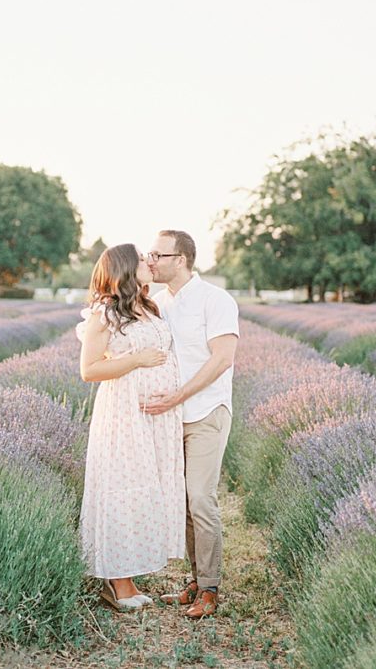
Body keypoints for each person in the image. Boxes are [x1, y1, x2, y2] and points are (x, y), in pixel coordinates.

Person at [76, 243, 185, 611]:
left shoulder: (147, 306)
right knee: (123, 488)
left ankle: (127, 576)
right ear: (125, 268)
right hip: (124, 415)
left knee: (145, 488)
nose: (148, 262)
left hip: (156, 417)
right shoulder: (104, 314)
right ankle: (117, 582)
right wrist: (137, 360)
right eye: (141, 259)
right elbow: (89, 370)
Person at [142, 230, 239, 619]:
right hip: (171, 417)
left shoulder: (216, 300)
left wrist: (179, 395)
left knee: (201, 498)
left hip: (205, 410)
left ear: (179, 259)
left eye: (156, 254)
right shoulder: (158, 303)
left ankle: (211, 588)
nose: (150, 260)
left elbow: (222, 359)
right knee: (181, 501)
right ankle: (196, 581)